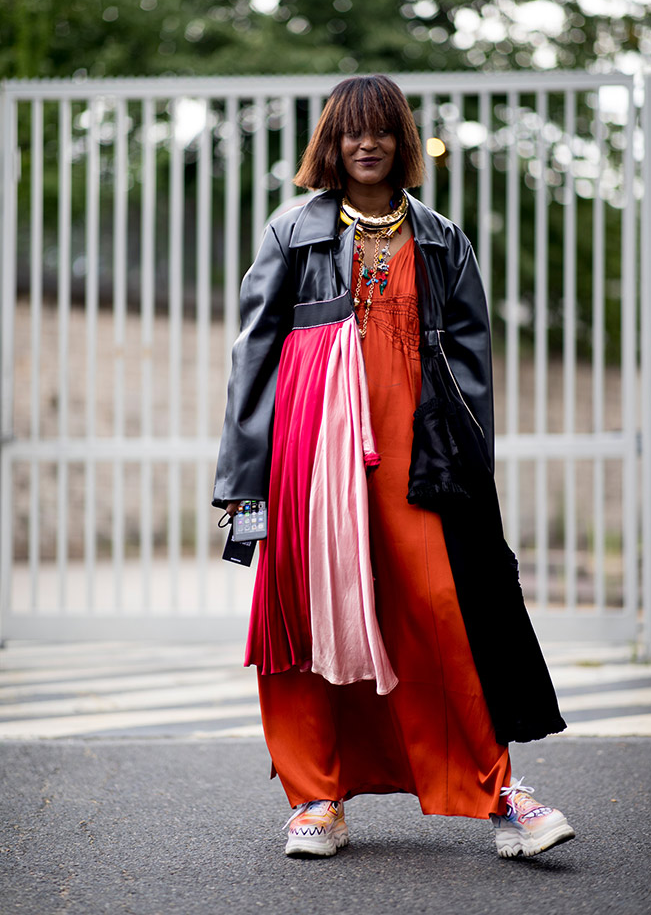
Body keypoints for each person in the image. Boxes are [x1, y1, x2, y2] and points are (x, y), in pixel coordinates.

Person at [213, 75, 575, 860]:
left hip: (419, 461)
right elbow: (254, 361)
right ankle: (315, 798)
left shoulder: (442, 237)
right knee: (309, 621)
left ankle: (495, 791)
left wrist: (470, 468)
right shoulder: (292, 232)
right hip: (310, 462)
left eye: (381, 130)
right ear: (330, 144)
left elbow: (471, 361)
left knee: (443, 612)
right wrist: (243, 485)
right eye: (351, 131)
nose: (366, 143)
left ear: (402, 141)